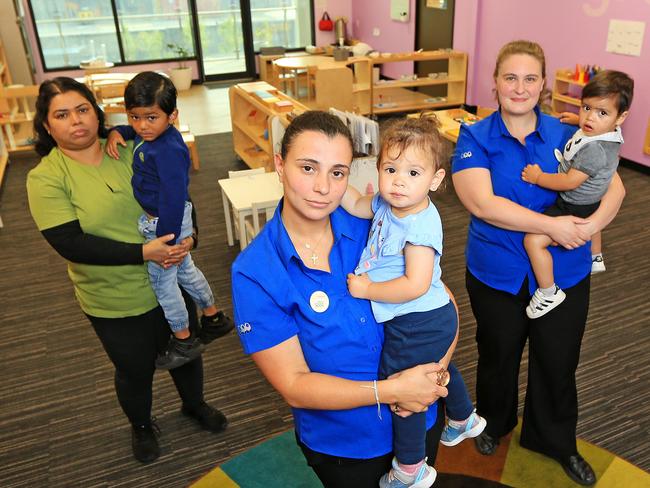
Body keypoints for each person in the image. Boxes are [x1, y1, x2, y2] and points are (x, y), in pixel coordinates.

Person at [231, 111, 453, 488]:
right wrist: (394, 390)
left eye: (337, 172)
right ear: (280, 166)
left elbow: (444, 304)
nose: (323, 187)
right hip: (345, 445)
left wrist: (429, 381)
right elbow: (294, 385)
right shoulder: (254, 271)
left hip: (418, 415)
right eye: (307, 168)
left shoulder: (381, 224)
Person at [26, 77, 228, 464]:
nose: (76, 121)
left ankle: (194, 404)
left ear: (96, 112)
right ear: (47, 126)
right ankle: (140, 424)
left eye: (83, 109)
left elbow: (176, 195)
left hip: (167, 272)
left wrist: (191, 236)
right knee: (135, 369)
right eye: (62, 115)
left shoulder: (135, 142)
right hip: (113, 295)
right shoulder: (46, 178)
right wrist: (143, 252)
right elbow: (71, 244)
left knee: (186, 350)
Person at [451, 41, 625, 486]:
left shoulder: (571, 132)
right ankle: (493, 422)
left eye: (530, 78)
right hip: (497, 274)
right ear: (494, 82)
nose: (520, 87)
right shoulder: (474, 137)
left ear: (543, 84)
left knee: (558, 360)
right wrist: (558, 225)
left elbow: (615, 189)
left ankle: (555, 441)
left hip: (565, 270)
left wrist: (583, 230)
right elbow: (484, 204)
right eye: (510, 77)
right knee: (498, 356)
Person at [341, 115, 486, 488]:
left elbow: (415, 284)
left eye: (413, 173)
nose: (399, 181)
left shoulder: (420, 224)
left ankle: (411, 468)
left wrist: (368, 289)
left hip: (418, 318)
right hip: (427, 318)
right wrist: (336, 182)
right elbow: (358, 204)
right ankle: (463, 417)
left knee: (404, 387)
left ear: (436, 180)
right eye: (391, 169)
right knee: (435, 369)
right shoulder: (389, 204)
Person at [105, 71, 233, 369]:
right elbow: (135, 131)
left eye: (151, 118)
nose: (142, 126)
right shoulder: (151, 134)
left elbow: (175, 198)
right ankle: (213, 317)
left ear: (172, 115)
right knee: (186, 272)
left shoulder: (169, 151)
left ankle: (184, 338)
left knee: (163, 285)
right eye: (134, 117)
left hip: (166, 225)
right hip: (170, 222)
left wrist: (167, 241)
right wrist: (120, 132)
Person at [522, 70, 633, 318]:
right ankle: (595, 257)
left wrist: (538, 177)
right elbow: (591, 124)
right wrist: (577, 121)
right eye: (586, 108)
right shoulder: (607, 132)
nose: (590, 118)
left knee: (533, 240)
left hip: (575, 204)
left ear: (621, 116)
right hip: (592, 200)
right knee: (593, 214)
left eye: (601, 113)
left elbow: (569, 181)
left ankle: (548, 291)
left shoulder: (595, 151)